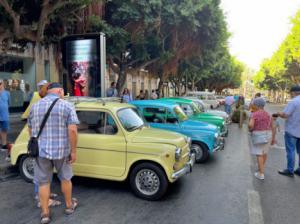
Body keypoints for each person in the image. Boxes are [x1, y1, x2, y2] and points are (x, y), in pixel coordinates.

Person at [28, 82, 79, 224]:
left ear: (48, 91)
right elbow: (73, 130)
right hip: (62, 150)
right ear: (60, 91)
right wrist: (73, 151)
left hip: (41, 151)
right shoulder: (67, 105)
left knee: (43, 182)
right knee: (65, 178)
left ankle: (45, 214)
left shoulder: (35, 106)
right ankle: (69, 206)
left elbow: (30, 130)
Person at [248, 97, 275, 180]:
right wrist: (273, 138)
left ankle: (261, 173)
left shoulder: (254, 114)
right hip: (269, 134)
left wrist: (250, 129)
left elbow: (251, 125)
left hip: (259, 135)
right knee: (264, 153)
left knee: (259, 154)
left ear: (256, 105)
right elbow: (273, 126)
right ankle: (261, 168)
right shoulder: (268, 114)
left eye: (254, 104)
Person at [277, 85, 300, 177]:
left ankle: (290, 170)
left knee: (290, 151)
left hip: (292, 130)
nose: (290, 95)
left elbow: (285, 115)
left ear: (294, 92)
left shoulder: (294, 101)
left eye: (290, 93)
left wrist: (279, 113)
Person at [0, 79, 10, 151]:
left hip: (5, 115)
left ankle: (3, 144)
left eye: (0, 83)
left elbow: (9, 103)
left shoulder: (7, 93)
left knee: (4, 130)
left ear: (3, 84)